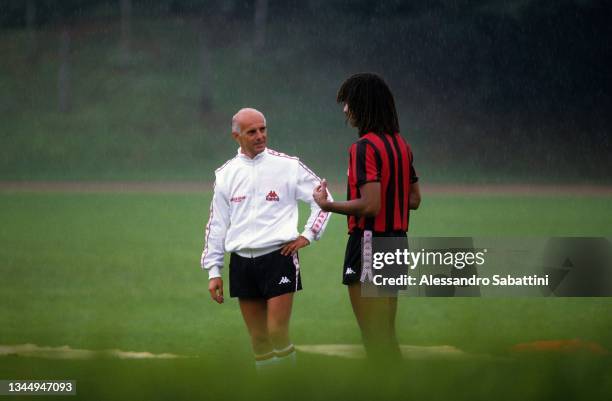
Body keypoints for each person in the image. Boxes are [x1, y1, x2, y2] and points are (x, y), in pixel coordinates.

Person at [201, 108, 332, 370]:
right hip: (241, 263)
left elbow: (323, 199)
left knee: (276, 332)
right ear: (236, 136)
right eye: (252, 131)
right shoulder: (225, 174)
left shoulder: (288, 166)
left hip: (278, 258)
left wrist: (308, 235)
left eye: (263, 129)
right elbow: (217, 224)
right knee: (259, 340)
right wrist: (213, 270)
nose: (260, 135)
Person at [313, 73, 421, 362]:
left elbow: (371, 206)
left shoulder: (364, 148)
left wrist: (327, 205)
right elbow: (413, 199)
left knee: (374, 338)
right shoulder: (402, 145)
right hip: (396, 242)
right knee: (386, 335)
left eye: (347, 103)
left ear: (362, 104)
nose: (345, 110)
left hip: (370, 243)